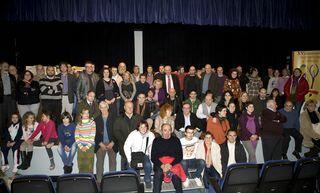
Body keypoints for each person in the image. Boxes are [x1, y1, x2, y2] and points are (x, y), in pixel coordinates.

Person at [151, 123, 184, 193]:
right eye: (165, 130)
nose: (167, 132)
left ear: (171, 131)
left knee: (175, 175)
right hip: (159, 164)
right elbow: (153, 157)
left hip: (172, 164)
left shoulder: (176, 140)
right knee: (159, 173)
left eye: (169, 130)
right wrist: (162, 165)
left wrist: (170, 164)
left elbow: (180, 156)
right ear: (161, 131)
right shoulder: (156, 141)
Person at [124, 121, 155, 189]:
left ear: (147, 127)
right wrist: (129, 160)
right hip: (134, 154)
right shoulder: (133, 134)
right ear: (138, 127)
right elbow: (126, 146)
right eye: (141, 127)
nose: (143, 129)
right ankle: (134, 184)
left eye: (145, 127)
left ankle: (147, 180)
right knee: (131, 168)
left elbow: (151, 148)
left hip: (144, 154)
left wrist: (151, 160)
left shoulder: (151, 135)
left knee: (148, 165)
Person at [113, 101, 142, 170]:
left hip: (135, 147)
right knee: (124, 166)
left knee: (135, 166)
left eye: (131, 107)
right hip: (123, 145)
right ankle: (124, 180)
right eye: (128, 107)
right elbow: (116, 131)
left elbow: (142, 130)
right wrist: (126, 141)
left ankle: (136, 180)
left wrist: (134, 141)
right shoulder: (119, 119)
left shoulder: (139, 118)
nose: (130, 108)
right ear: (124, 108)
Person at [94, 101, 117, 183]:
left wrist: (113, 142)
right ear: (99, 108)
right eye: (101, 107)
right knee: (99, 164)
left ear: (108, 107)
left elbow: (117, 131)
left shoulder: (114, 118)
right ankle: (99, 182)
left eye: (105, 107)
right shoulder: (96, 120)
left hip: (112, 143)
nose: (103, 109)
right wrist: (100, 143)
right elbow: (95, 134)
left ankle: (112, 181)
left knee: (113, 163)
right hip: (100, 144)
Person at [75, 108, 96, 173]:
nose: (87, 115)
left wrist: (86, 147)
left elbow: (92, 136)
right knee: (81, 164)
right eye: (85, 113)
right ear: (81, 114)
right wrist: (81, 147)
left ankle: (90, 180)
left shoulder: (92, 123)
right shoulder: (78, 124)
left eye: (88, 113)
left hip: (90, 146)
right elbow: (76, 136)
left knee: (89, 164)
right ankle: (82, 180)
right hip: (80, 146)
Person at [0, 62, 17, 139]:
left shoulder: (12, 76)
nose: (6, 67)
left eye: (7, 66)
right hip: (2, 99)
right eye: (4, 66)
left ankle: (11, 136)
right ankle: (2, 137)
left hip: (11, 99)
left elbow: (15, 88)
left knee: (11, 118)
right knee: (2, 119)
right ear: (0, 67)